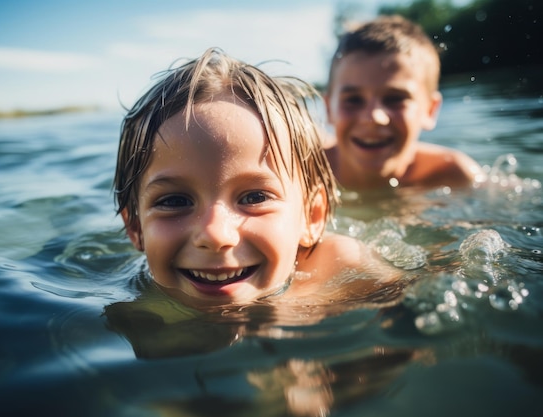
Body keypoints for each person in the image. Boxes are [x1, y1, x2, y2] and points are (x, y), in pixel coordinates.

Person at [113, 47, 404, 310]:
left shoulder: (343, 271)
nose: (215, 235)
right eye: (174, 201)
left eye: (255, 197)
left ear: (313, 217)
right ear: (135, 227)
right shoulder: (129, 308)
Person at [323, 15, 484, 191]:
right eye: (353, 100)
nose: (373, 118)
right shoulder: (304, 173)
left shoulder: (452, 175)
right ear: (328, 108)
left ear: (430, 110)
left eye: (394, 99)